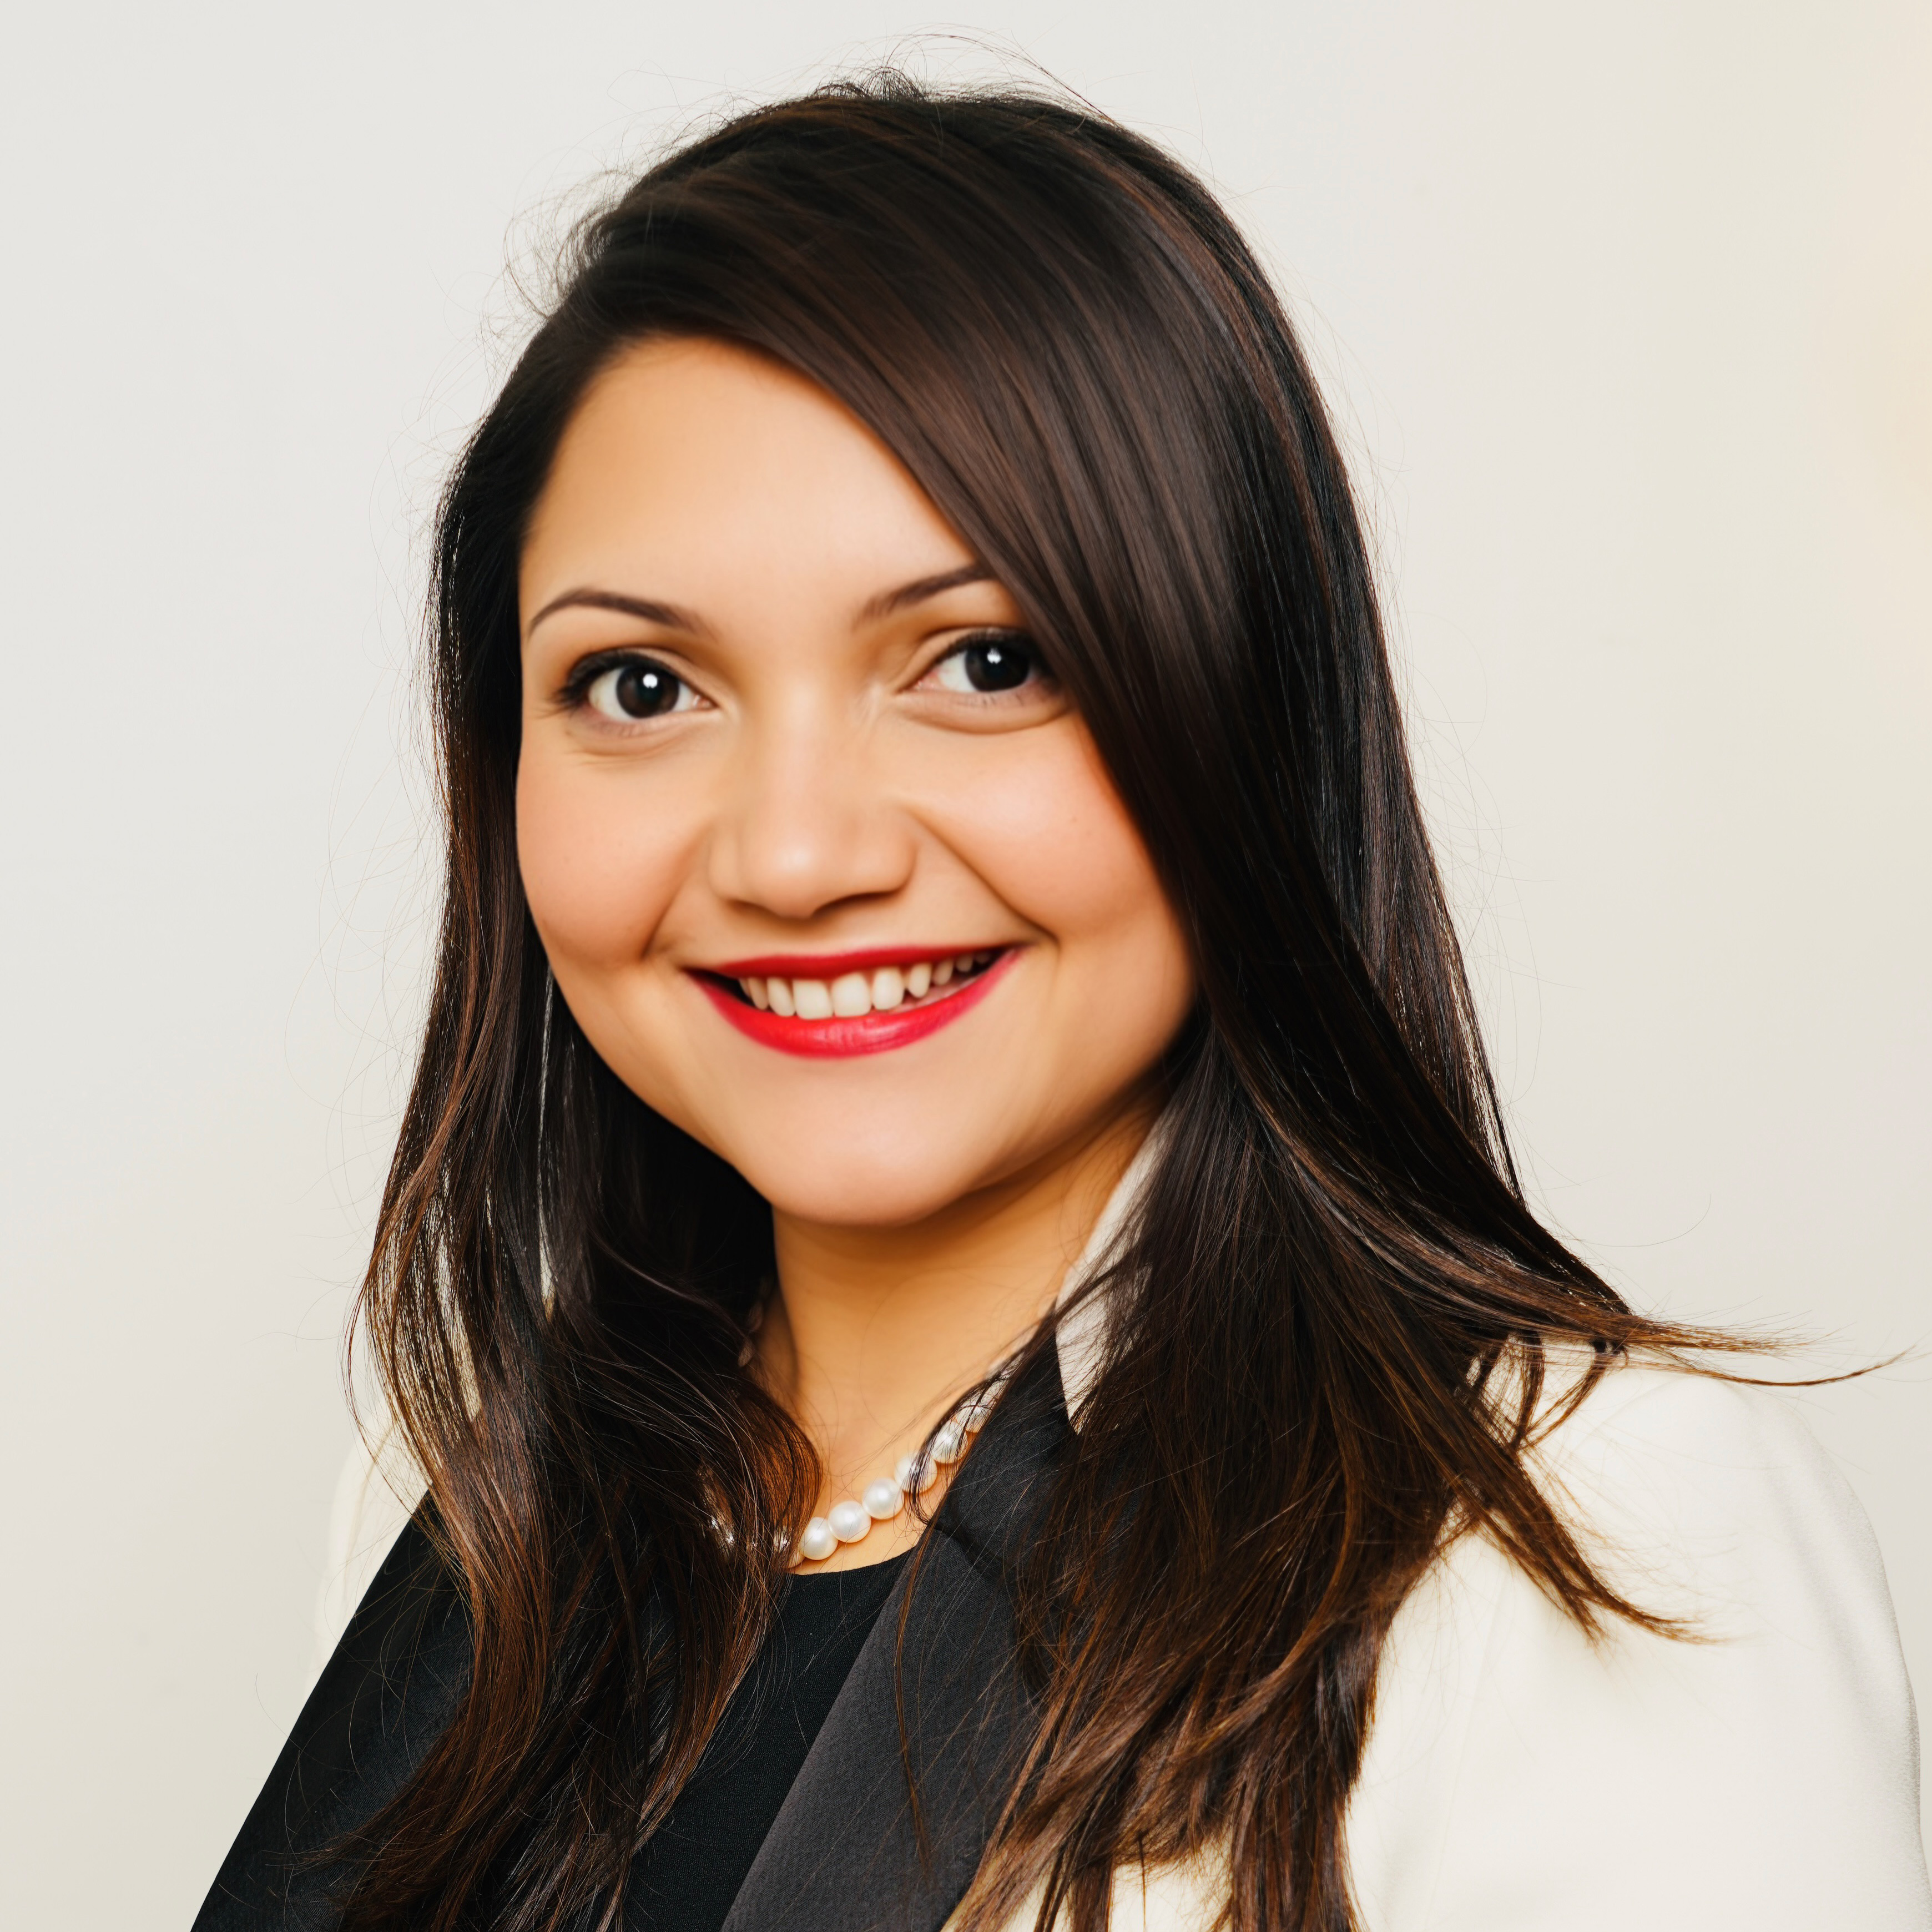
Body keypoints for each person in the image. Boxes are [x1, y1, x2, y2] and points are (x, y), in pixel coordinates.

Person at [193, 78, 1930, 1932]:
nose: (794, 852)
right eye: (638, 685)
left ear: (1236, 710)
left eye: (983, 660)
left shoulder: (1576, 1534)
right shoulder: (483, 1492)